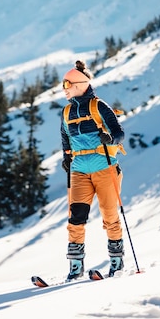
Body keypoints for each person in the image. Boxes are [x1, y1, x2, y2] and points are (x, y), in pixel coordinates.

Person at [60, 60, 126, 281]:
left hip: (104, 168)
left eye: (67, 84)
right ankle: (75, 267)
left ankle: (116, 262)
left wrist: (110, 138)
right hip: (79, 171)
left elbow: (119, 133)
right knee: (75, 218)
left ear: (79, 84)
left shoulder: (99, 106)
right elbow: (65, 139)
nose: (65, 89)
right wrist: (66, 157)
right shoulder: (67, 112)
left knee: (110, 216)